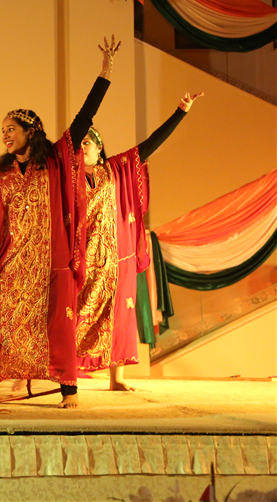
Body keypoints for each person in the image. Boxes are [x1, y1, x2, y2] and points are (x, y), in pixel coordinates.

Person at [0, 38, 121, 409]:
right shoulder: (1, 174)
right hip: (10, 267)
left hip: (51, 265)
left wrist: (105, 74)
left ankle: (69, 390)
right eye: (3, 130)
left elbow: (83, 119)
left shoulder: (55, 160)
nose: (5, 135)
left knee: (59, 326)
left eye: (11, 129)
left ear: (30, 132)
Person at [76, 91, 204, 390]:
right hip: (82, 258)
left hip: (116, 258)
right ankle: (65, 373)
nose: (81, 148)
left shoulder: (116, 169)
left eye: (87, 143)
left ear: (99, 148)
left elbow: (150, 145)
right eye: (78, 144)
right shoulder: (67, 179)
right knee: (74, 315)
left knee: (120, 314)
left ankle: (117, 378)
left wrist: (180, 112)